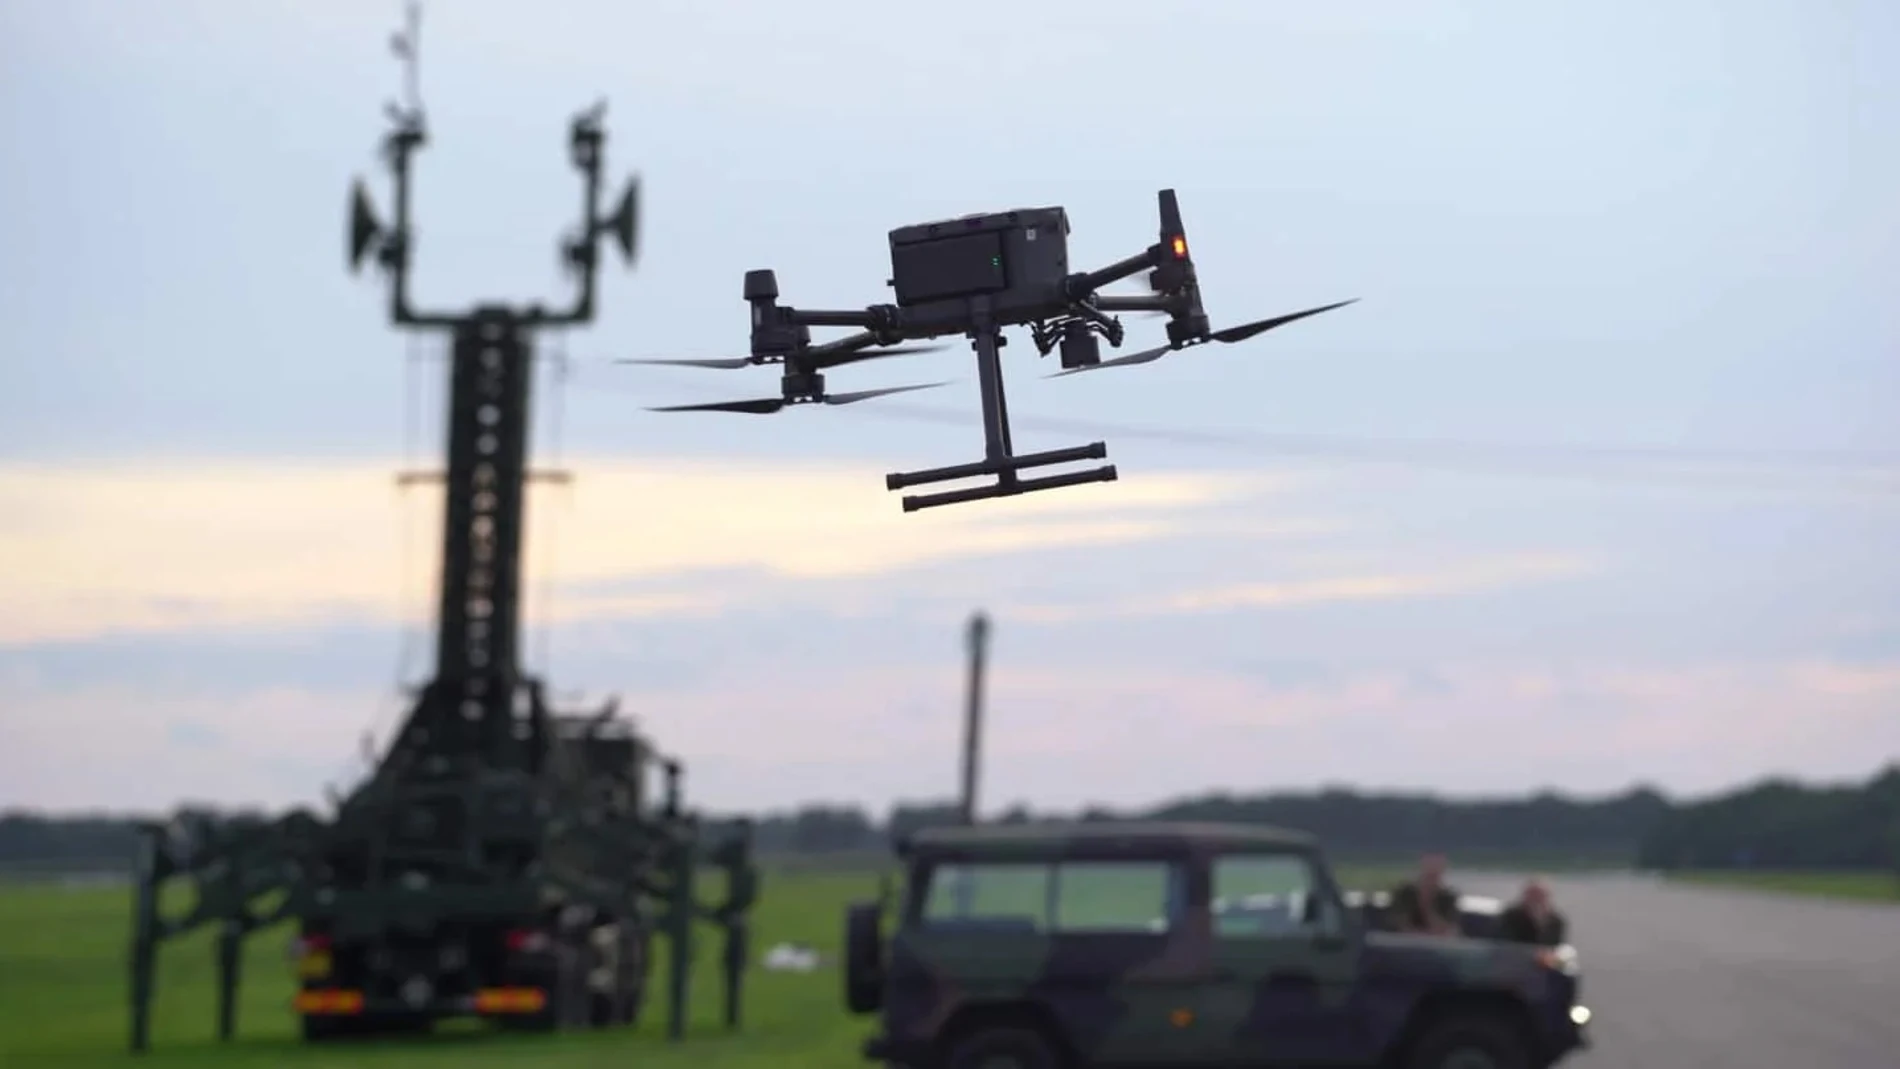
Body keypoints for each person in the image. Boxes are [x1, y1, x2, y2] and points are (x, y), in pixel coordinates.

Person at [1387, 853, 1461, 936]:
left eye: (1435, 872)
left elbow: (1448, 929)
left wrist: (1428, 906)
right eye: (1429, 869)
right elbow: (1397, 924)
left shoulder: (1448, 898)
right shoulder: (1404, 893)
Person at [1498, 877, 1568, 946]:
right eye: (1533, 895)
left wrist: (1541, 922)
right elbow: (1507, 942)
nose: (1536, 900)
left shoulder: (1556, 921)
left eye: (1540, 896)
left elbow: (1554, 945)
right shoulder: (1510, 916)